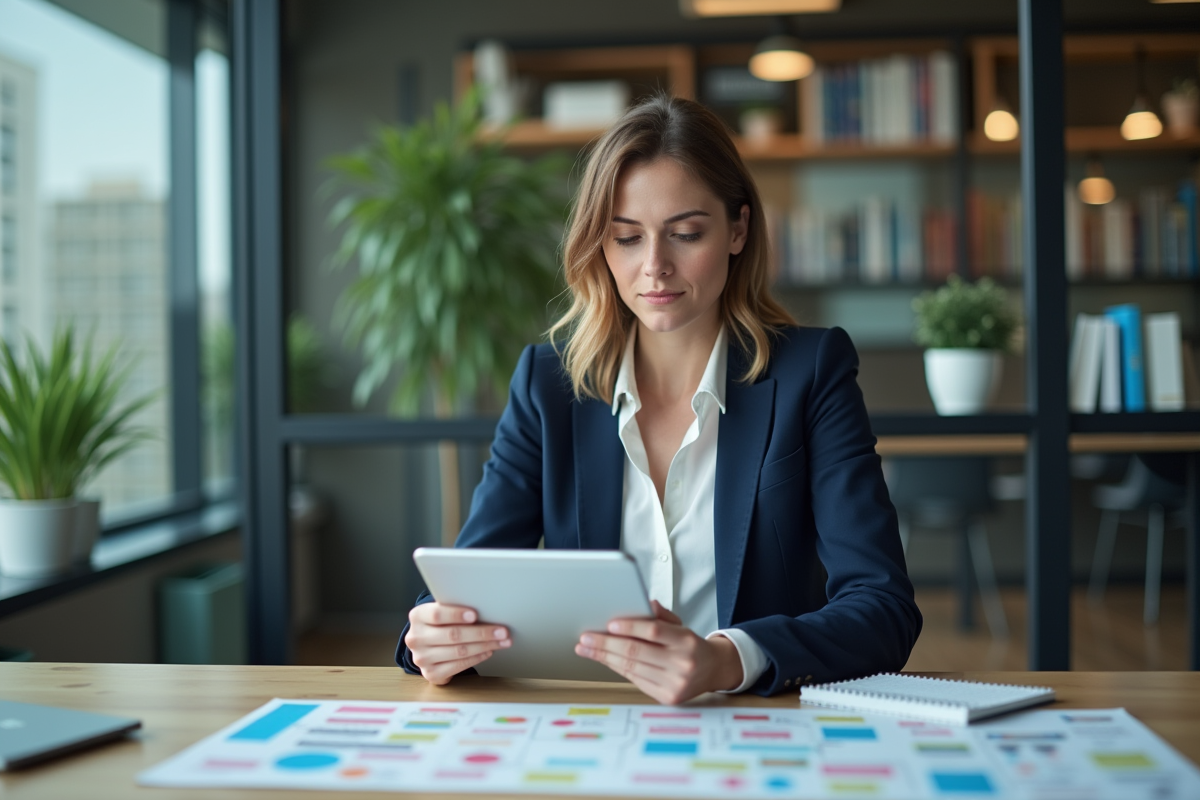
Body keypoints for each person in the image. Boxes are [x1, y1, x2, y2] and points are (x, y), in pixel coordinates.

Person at [397, 95, 921, 703]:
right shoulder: (548, 384)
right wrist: (431, 636)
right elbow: (466, 584)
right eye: (626, 239)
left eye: (686, 234)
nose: (655, 268)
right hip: (596, 727)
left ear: (738, 229)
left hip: (757, 727)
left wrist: (727, 660)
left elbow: (883, 608)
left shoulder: (812, 372)